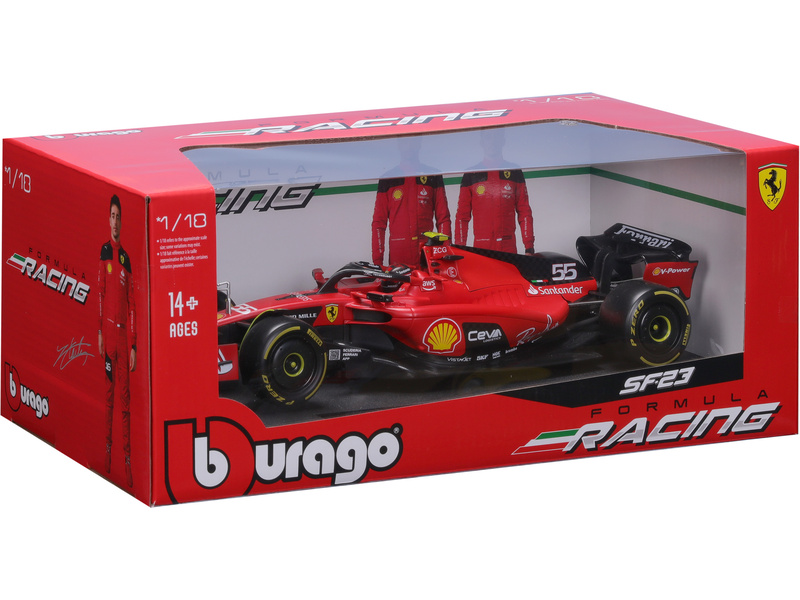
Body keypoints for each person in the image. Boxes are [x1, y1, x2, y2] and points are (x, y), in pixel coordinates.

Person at [98, 194, 136, 488]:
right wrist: (100, 332)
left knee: (125, 400)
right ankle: (107, 457)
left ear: (122, 222)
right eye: (112, 216)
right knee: (109, 397)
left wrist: (133, 345)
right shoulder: (103, 253)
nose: (115, 222)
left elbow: (132, 305)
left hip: (123, 339)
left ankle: (127, 463)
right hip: (108, 336)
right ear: (108, 219)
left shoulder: (126, 260)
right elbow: (100, 293)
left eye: (118, 217)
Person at [372, 137, 451, 267]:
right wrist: (377, 262)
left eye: (412, 141)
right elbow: (378, 224)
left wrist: (445, 253)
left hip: (426, 256)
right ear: (398, 144)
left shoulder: (433, 175)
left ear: (419, 143)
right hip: (399, 259)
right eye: (404, 141)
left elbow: (443, 219)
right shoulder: (388, 178)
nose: (408, 146)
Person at [455, 129, 534, 254]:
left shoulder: (514, 172)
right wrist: (459, 248)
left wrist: (529, 246)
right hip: (482, 250)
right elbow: (462, 216)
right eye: (488, 137)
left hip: (508, 249)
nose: (492, 141)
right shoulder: (471, 174)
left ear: (503, 140)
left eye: (496, 137)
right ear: (482, 142)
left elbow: (524, 211)